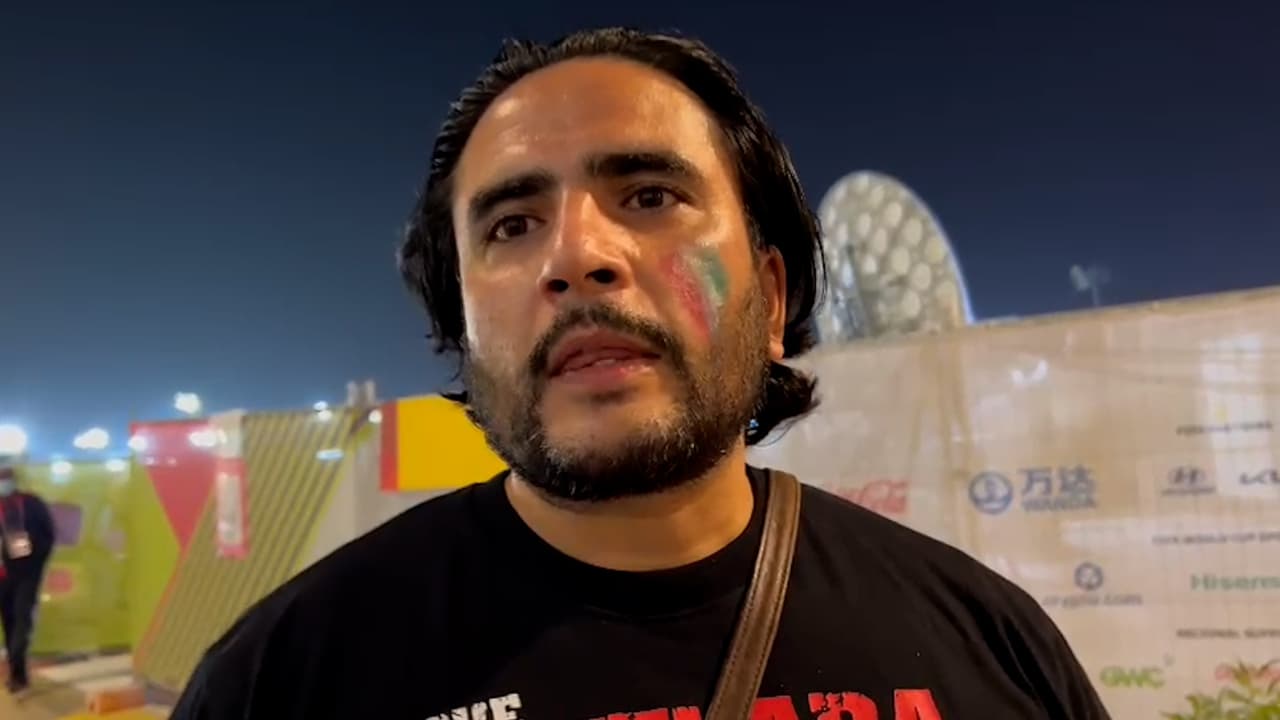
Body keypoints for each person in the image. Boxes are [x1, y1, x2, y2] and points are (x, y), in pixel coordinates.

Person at [172, 27, 1110, 719]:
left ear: (770, 297)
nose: (577, 256)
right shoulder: (283, 682)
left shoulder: (992, 646)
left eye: (651, 196)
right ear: (462, 322)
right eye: (511, 225)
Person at [0, 461, 55, 694]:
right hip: (2, 577)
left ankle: (16, 664)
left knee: (21, 620)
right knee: (9, 622)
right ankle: (17, 672)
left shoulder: (28, 503)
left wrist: (34, 565)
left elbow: (47, 536)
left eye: (5, 476)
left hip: (25, 574)